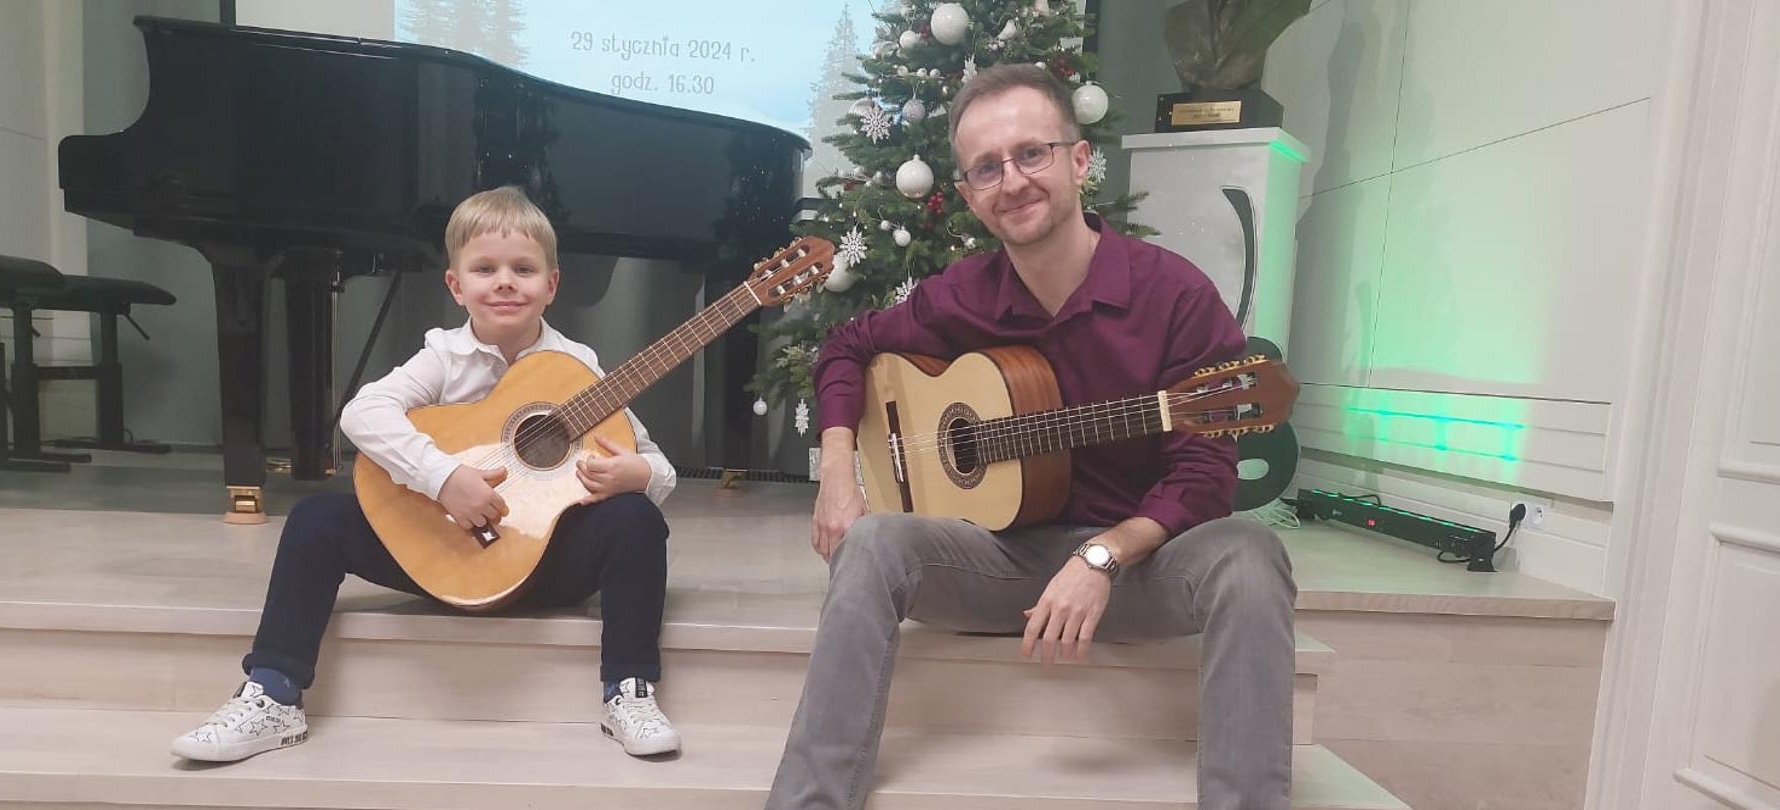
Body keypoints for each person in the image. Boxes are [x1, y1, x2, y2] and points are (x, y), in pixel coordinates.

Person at [765, 64, 1297, 809]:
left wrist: (1102, 554)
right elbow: (847, 345)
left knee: (1250, 556)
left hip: (1140, 570)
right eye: (988, 167)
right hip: (1001, 563)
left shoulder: (1174, 296)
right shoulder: (963, 294)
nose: (1011, 180)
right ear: (972, 194)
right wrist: (839, 474)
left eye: (1032, 153)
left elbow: (1205, 476)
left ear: (1079, 160)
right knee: (874, 544)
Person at [171, 186, 682, 762]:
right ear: (456, 286)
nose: (506, 281)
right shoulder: (443, 355)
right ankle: (272, 694)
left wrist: (638, 475)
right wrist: (443, 478)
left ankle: (629, 690)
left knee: (637, 519)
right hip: (437, 550)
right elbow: (363, 413)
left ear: (552, 284)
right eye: (485, 269)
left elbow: (655, 462)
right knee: (316, 519)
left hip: (546, 561)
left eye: (524, 268)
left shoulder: (579, 369)